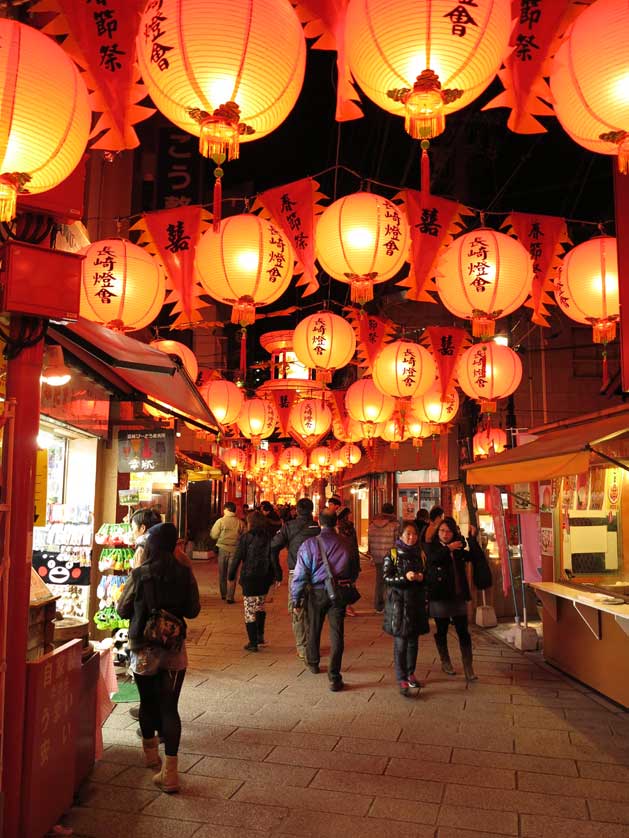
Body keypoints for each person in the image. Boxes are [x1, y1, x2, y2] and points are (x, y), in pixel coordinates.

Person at [117, 522, 200, 793]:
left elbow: (122, 609)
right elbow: (193, 610)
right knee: (169, 708)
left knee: (147, 703)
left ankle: (152, 758)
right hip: (174, 648)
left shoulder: (141, 574)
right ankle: (171, 774)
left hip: (143, 647)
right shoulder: (185, 572)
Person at [291, 510, 358, 692]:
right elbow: (355, 570)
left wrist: (296, 599)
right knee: (337, 632)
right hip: (338, 592)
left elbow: (300, 574)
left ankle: (313, 662)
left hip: (317, 591)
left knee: (314, 627)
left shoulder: (309, 544)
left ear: (319, 523)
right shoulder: (346, 543)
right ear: (335, 522)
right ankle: (334, 676)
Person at [424, 516, 485, 681]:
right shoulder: (432, 547)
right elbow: (433, 559)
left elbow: (475, 557)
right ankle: (446, 661)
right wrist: (449, 548)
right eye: (442, 531)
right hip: (440, 596)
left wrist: (472, 538)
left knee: (463, 631)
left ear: (454, 532)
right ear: (438, 532)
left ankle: (468, 667)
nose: (445, 534)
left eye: (448, 531)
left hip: (458, 596)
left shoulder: (458, 548)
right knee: (442, 630)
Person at [382, 522, 429, 696]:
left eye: (414, 534)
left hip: (416, 604)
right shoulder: (393, 554)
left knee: (413, 643)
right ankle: (401, 677)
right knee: (401, 643)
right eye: (408, 534)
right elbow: (386, 578)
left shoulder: (421, 554)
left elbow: (427, 577)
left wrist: (422, 577)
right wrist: (405, 577)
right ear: (400, 535)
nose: (411, 537)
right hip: (399, 605)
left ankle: (411, 673)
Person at [271, 497, 321, 659]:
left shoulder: (289, 527)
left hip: (296, 573)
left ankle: (302, 646)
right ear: (312, 510)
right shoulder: (319, 527)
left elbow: (274, 545)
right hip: (317, 575)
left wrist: (277, 571)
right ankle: (313, 645)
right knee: (314, 610)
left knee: (297, 609)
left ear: (297, 511)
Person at [228, 511, 282, 652]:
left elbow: (237, 557)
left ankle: (252, 643)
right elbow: (273, 558)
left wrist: (231, 574)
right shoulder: (269, 538)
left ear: (250, 523)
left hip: (249, 577)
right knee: (260, 605)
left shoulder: (245, 538)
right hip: (264, 577)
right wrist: (278, 575)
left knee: (249, 609)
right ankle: (259, 636)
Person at [210, 501, 245, 603]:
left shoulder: (220, 521)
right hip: (235, 550)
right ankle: (230, 596)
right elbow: (244, 536)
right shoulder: (240, 522)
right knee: (232, 573)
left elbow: (214, 535)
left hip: (222, 549)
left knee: (222, 573)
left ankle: (223, 594)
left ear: (227, 510)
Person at [368, 502, 399, 613]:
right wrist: (395, 559)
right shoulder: (395, 525)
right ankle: (390, 604)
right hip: (390, 556)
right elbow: (396, 543)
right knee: (390, 580)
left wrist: (372, 555)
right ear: (392, 512)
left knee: (379, 581)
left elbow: (370, 541)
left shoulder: (372, 524)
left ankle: (378, 605)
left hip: (377, 556)